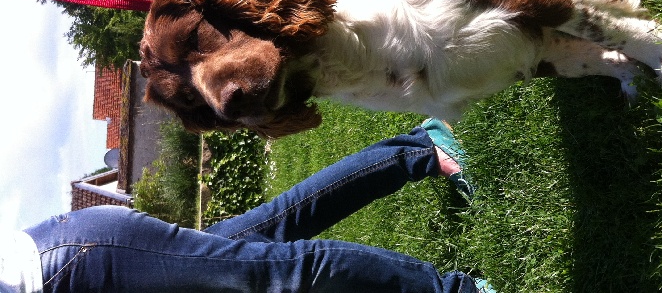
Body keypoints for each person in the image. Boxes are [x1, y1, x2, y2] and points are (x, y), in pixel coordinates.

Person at [2, 119, 497, 293]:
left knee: (273, 277)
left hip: (71, 271)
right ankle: (423, 149)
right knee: (275, 230)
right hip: (72, 257)